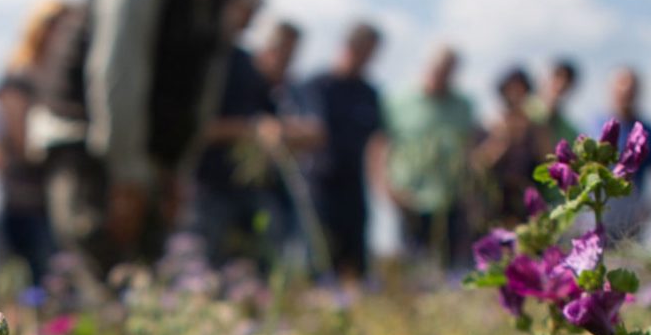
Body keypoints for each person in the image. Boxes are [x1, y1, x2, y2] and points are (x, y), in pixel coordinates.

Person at [38, 0, 261, 279]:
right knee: (102, 280)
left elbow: (202, 84)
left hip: (153, 160)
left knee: (144, 287)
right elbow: (118, 66)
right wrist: (125, 173)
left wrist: (178, 168)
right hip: (92, 147)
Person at [193, 15, 320, 269]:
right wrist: (251, 130)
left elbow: (315, 132)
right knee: (206, 263)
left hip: (261, 193)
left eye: (290, 54)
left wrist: (278, 131)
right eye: (279, 49)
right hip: (213, 190)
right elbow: (201, 128)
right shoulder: (231, 69)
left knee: (266, 263)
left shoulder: (285, 90)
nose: (283, 59)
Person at [0, 0, 73, 286]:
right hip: (19, 204)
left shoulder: (60, 83)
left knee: (53, 288)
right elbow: (21, 143)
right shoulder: (19, 79)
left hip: (50, 203)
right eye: (55, 27)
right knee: (21, 289)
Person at [374, 45, 478, 270]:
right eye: (437, 69)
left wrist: (471, 190)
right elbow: (381, 145)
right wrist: (385, 187)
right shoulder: (397, 102)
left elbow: (470, 150)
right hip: (408, 197)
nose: (440, 75)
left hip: (450, 197)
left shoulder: (464, 106)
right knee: (413, 264)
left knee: (451, 265)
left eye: (447, 70)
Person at [302, 22, 383, 285]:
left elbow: (377, 143)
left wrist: (380, 185)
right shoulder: (315, 85)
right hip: (319, 186)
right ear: (348, 46)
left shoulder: (369, 93)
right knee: (319, 259)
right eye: (362, 50)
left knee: (356, 263)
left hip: (354, 187)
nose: (366, 58)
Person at [599, 67, 651, 240]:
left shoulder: (649, 133)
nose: (624, 97)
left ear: (637, 93)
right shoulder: (594, 124)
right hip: (594, 213)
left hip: (630, 218)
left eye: (629, 93)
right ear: (611, 92)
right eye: (620, 92)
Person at [475, 67, 553, 228]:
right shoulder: (489, 125)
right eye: (511, 89)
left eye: (521, 90)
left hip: (528, 208)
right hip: (496, 208)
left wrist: (536, 128)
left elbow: (548, 162)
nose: (516, 94)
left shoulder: (536, 127)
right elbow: (480, 164)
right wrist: (503, 138)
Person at [528, 58, 579, 146]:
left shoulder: (570, 132)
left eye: (568, 80)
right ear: (543, 78)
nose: (561, 84)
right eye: (557, 75)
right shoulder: (519, 111)